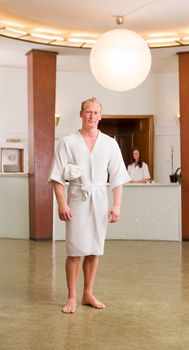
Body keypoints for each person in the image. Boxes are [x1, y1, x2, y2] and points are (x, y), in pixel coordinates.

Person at [49, 97, 130, 314]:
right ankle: (72, 296)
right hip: (76, 198)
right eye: (88, 111)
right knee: (75, 250)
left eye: (95, 112)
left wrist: (117, 205)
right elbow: (57, 177)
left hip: (100, 201)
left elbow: (118, 177)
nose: (92, 115)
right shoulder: (67, 142)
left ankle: (88, 293)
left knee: (94, 249)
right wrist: (62, 203)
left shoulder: (110, 144)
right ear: (81, 114)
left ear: (100, 116)